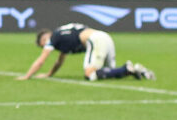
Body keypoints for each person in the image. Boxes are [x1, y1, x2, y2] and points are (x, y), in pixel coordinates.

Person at [17, 23, 155, 81]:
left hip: (95, 40)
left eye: (43, 45)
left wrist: (27, 76)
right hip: (105, 37)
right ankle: (136, 70)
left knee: (90, 75)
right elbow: (60, 60)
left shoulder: (52, 38)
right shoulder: (62, 35)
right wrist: (49, 74)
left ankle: (126, 68)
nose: (44, 47)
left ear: (44, 39)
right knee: (109, 72)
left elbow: (42, 60)